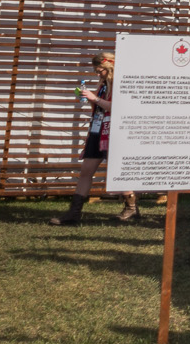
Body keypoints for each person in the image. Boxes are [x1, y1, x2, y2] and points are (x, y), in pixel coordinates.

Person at [50, 50, 142, 225]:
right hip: (97, 129)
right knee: (86, 171)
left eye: (100, 70)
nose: (98, 74)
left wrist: (95, 99)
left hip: (113, 130)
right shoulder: (104, 83)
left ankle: (131, 208)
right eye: (97, 71)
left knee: (116, 170)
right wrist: (89, 98)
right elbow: (101, 106)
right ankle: (74, 213)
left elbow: (120, 108)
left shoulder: (122, 83)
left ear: (110, 67)